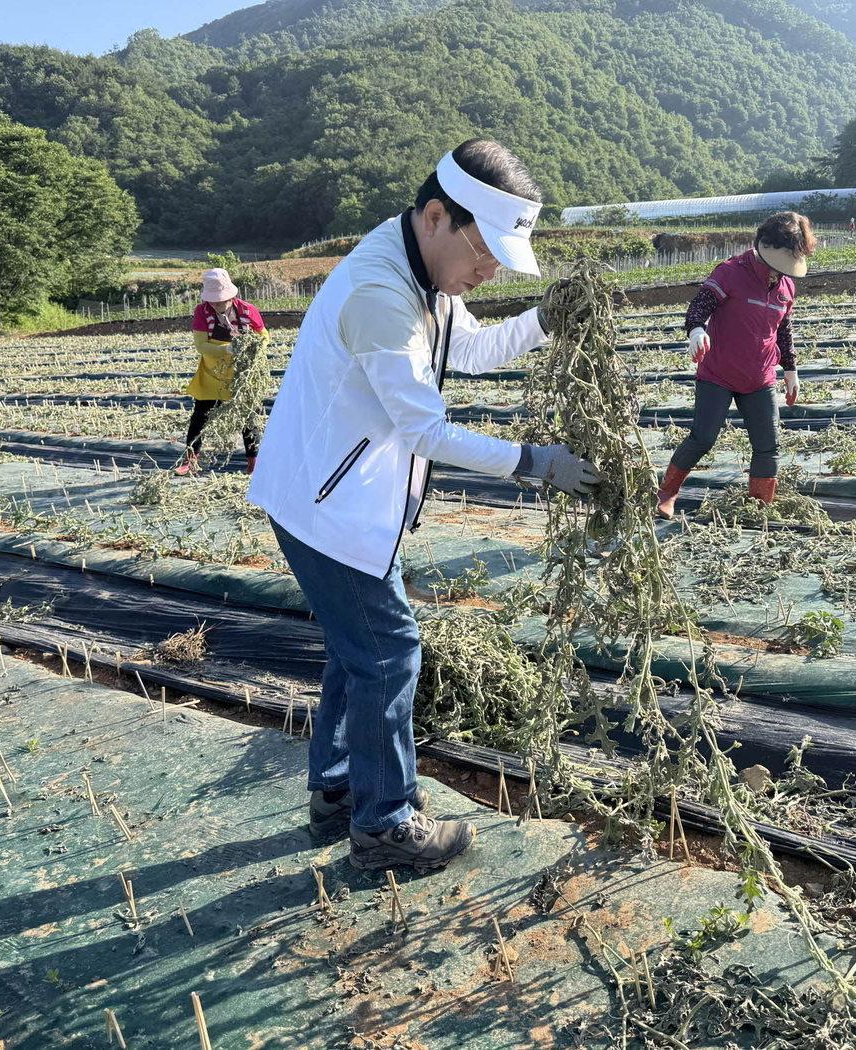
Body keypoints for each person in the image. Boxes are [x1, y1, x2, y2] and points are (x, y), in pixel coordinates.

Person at [249, 139, 598, 872]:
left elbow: (464, 352)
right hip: (327, 509)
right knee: (390, 652)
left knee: (359, 654)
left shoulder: (424, 268)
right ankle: (384, 825)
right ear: (437, 215)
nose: (490, 270)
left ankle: (339, 793)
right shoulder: (382, 293)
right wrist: (535, 463)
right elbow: (424, 430)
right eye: (485, 252)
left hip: (345, 499)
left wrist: (544, 321)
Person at [656, 211, 818, 517]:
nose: (778, 274)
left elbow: (783, 329)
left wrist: (791, 369)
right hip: (719, 372)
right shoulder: (731, 272)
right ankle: (667, 493)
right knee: (703, 438)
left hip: (759, 377)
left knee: (768, 445)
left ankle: (760, 507)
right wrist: (696, 330)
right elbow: (699, 306)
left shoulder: (786, 288)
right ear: (764, 248)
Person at [178, 268, 270, 476]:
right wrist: (226, 349)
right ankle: (190, 460)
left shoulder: (247, 311)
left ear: (232, 295)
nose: (218, 304)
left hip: (242, 373)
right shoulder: (202, 312)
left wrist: (255, 351)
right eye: (214, 301)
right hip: (213, 372)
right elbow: (201, 345)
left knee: (248, 416)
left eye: (222, 300)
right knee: (200, 415)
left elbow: (263, 335)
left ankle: (253, 462)